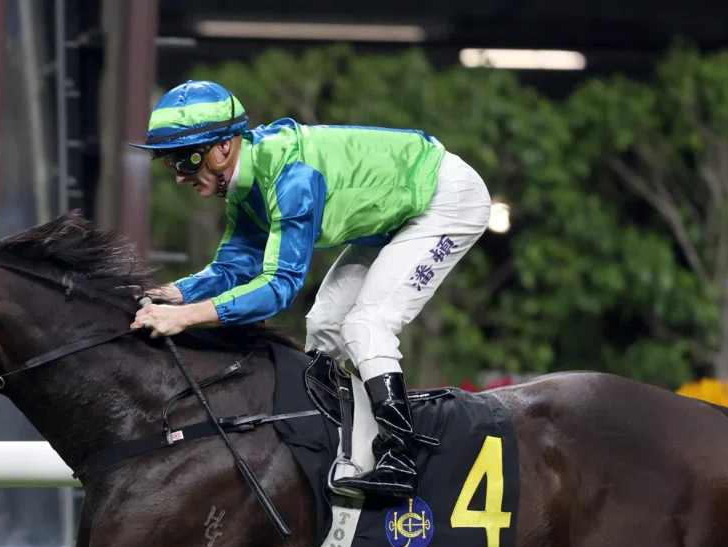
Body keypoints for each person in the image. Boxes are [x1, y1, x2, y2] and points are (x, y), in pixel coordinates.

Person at [128, 79, 491, 497]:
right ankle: (344, 449)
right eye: (170, 164)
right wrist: (172, 294)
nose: (178, 177)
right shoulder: (246, 184)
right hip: (394, 215)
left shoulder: (291, 177)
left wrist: (184, 317)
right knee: (323, 326)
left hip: (446, 199)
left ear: (223, 147)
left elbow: (278, 287)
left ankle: (401, 460)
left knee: (366, 325)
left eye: (185, 160)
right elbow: (232, 267)